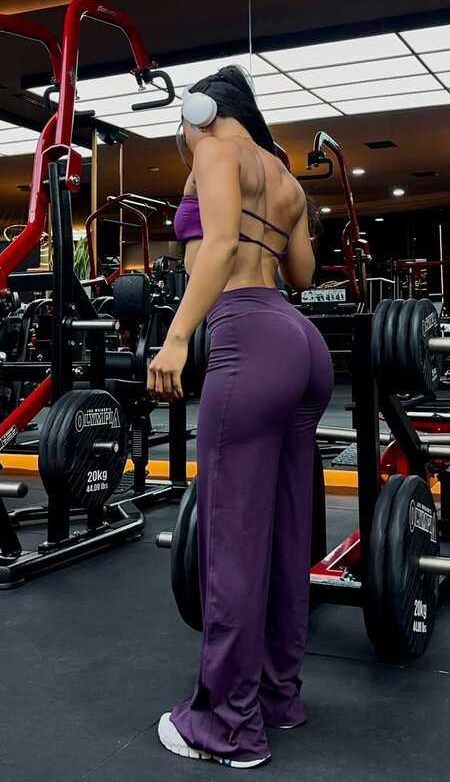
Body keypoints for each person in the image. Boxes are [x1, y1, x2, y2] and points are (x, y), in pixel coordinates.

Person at [148, 64, 334, 769]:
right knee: (285, 535)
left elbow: (220, 245)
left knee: (231, 541)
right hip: (301, 344)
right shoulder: (283, 177)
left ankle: (225, 724)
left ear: (199, 113)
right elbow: (303, 275)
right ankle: (278, 696)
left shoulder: (215, 149)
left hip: (247, 338)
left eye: (183, 125)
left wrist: (175, 338)